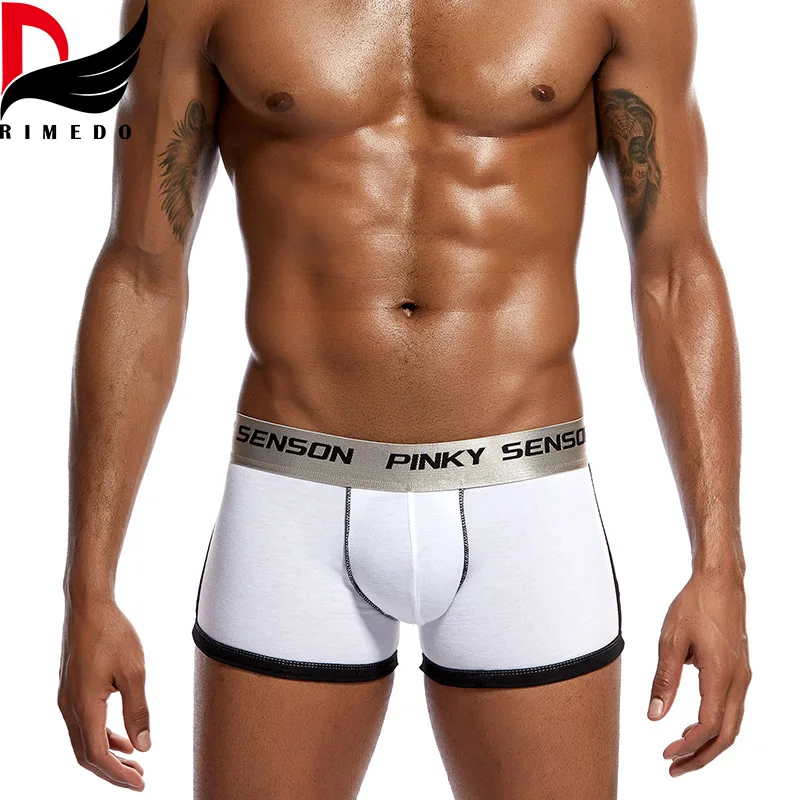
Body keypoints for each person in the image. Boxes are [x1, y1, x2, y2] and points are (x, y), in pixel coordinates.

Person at [57, 0, 751, 796]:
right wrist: (89, 589)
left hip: (525, 499)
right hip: (294, 499)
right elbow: (141, 274)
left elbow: (675, 269)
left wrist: (719, 565)